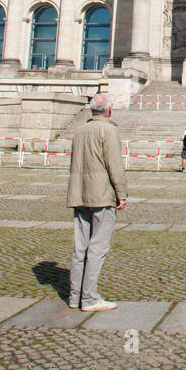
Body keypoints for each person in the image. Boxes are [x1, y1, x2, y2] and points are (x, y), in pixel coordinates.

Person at [67, 93, 128, 312]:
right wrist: (121, 193)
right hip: (101, 195)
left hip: (79, 194)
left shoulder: (80, 130)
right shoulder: (109, 130)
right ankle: (90, 298)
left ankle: (75, 297)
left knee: (79, 247)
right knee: (97, 247)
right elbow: (114, 165)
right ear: (109, 111)